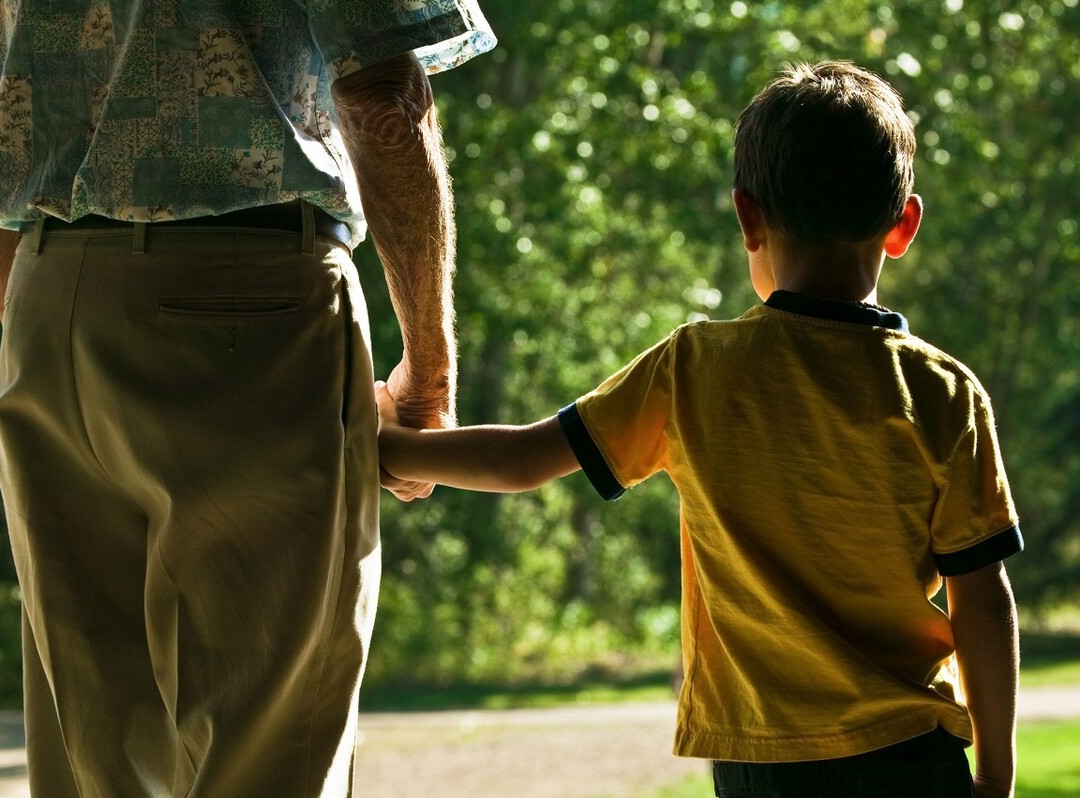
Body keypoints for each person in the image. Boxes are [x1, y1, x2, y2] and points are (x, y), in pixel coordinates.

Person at [376, 61, 1022, 798]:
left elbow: (524, 458)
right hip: (908, 755)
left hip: (761, 761)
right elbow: (983, 597)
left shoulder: (695, 369)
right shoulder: (944, 393)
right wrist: (996, 774)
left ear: (748, 215)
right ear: (903, 224)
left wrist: (389, 445)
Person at [0, 1, 494, 795]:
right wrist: (427, 382)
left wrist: (54, 338)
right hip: (251, 303)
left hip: (45, 304)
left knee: (95, 762)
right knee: (266, 750)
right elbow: (383, 105)